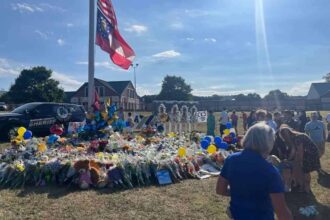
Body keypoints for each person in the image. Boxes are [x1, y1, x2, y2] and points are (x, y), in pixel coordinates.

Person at [216, 122, 292, 220]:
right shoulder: (270, 171)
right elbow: (282, 212)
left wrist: (241, 192)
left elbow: (220, 190)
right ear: (268, 143)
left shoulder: (231, 160)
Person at [279, 126, 321, 193]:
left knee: (305, 170)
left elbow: (300, 150)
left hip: (310, 153)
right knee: (300, 167)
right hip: (306, 153)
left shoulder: (297, 137)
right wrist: (289, 159)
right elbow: (293, 150)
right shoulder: (293, 138)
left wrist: (300, 161)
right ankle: (301, 185)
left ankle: (307, 188)